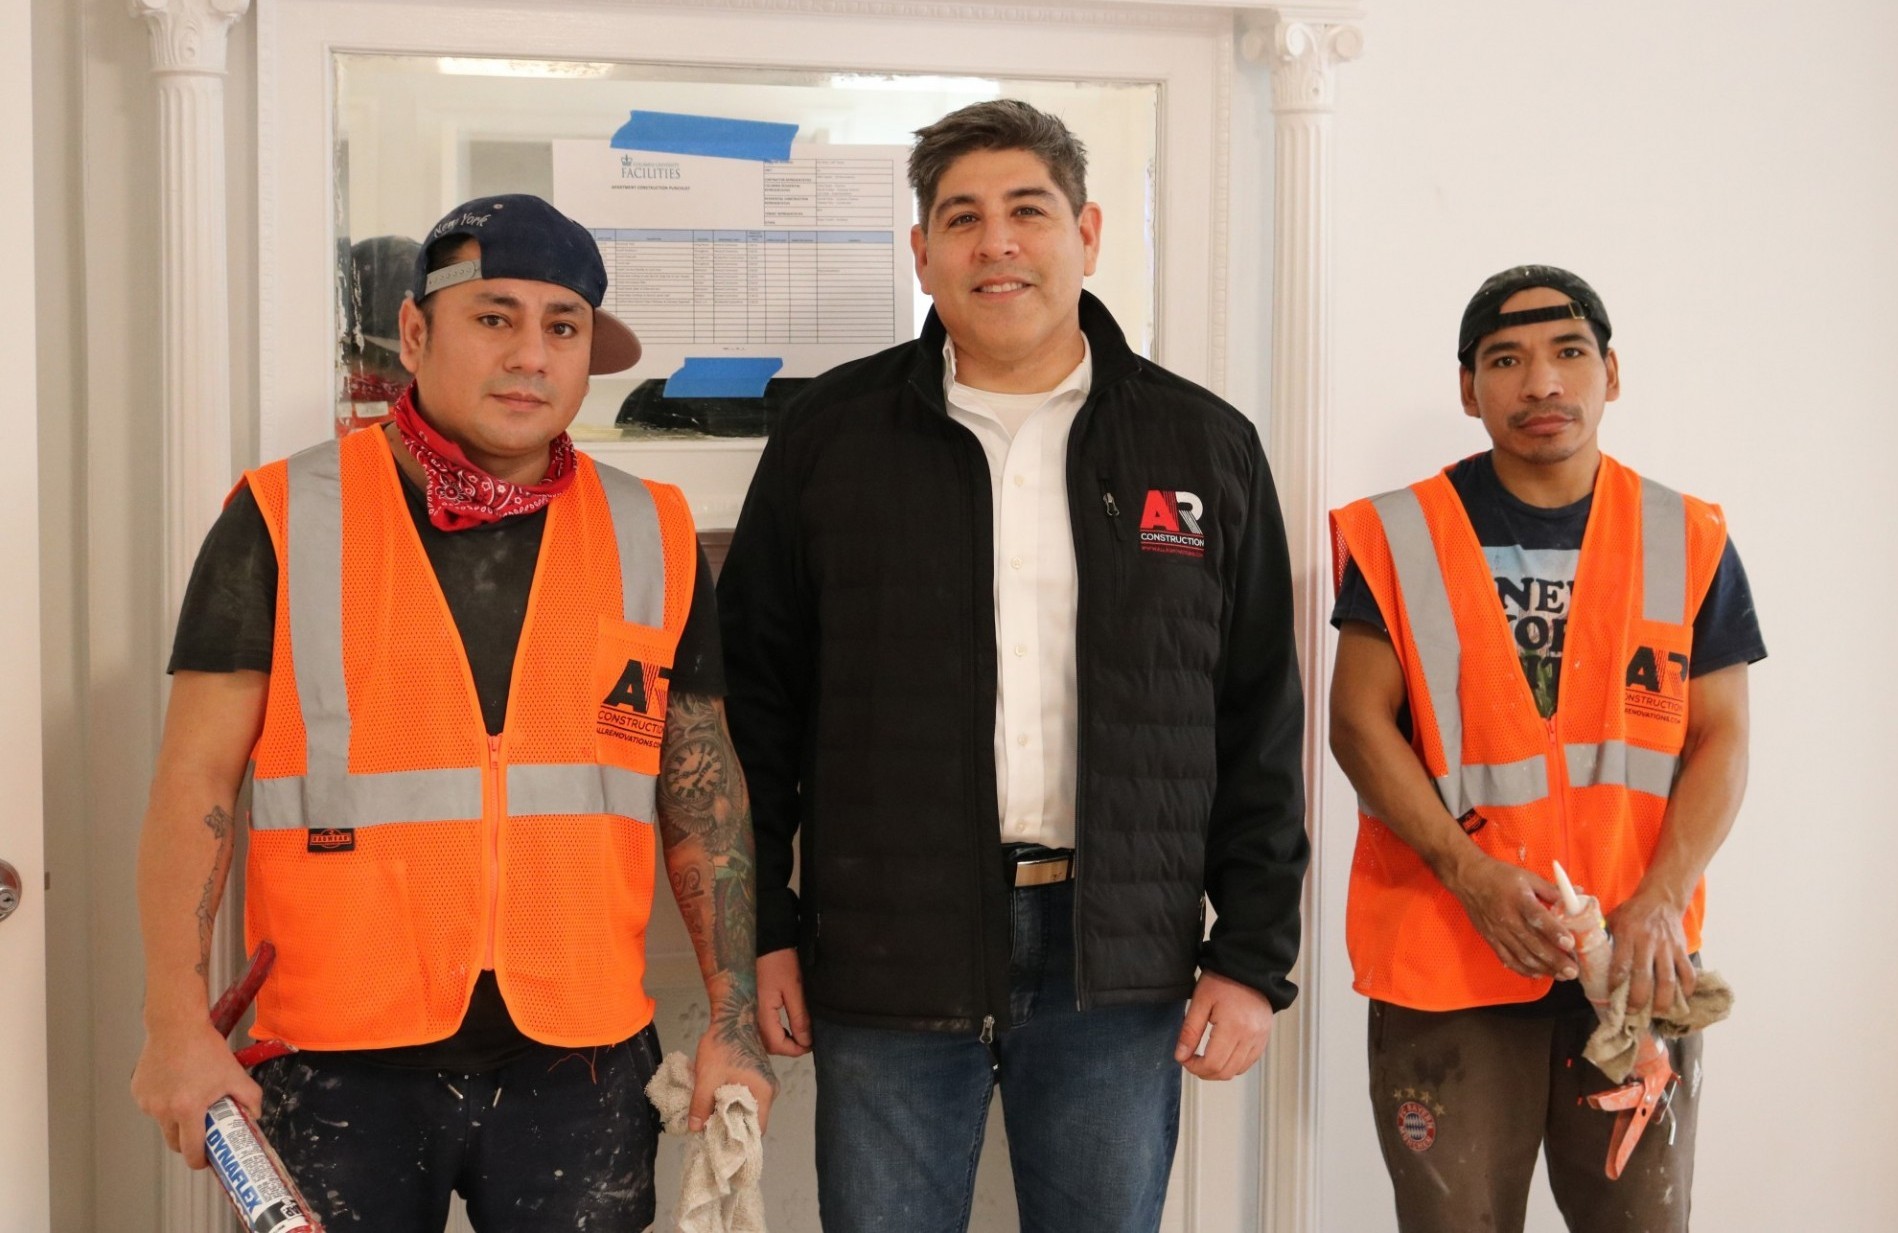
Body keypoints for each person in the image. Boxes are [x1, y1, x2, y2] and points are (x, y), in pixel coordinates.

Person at [717, 100, 1308, 1233]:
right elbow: (756, 709)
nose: (996, 243)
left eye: (1026, 211)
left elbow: (1256, 719)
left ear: (1085, 234)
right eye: (961, 218)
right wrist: (764, 937)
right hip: (884, 950)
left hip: (1116, 959)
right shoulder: (828, 442)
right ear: (920, 252)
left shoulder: (1202, 445)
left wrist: (1249, 954)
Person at [130, 193, 775, 1232]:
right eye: (494, 316)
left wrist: (732, 1019)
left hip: (583, 1060)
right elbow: (193, 781)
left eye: (561, 327)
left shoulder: (649, 529)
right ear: (417, 333)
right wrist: (173, 1021)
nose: (530, 354)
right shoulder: (282, 514)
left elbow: (702, 788)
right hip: (338, 1064)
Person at [1328, 265, 1765, 1233]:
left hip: (1633, 967)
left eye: (1567, 354)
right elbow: (1356, 723)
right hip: (1446, 954)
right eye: (1505, 360)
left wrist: (1658, 899)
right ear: (1466, 388)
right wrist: (1469, 872)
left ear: (1609, 373)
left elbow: (1722, 735)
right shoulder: (1396, 537)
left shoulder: (1684, 536)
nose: (1540, 385)